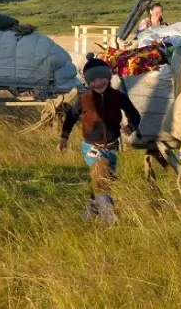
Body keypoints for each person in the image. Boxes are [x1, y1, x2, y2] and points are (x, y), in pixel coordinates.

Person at [58, 57, 141, 225]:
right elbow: (71, 116)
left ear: (108, 77)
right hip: (92, 147)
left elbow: (135, 114)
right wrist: (64, 137)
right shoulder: (84, 99)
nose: (98, 83)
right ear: (88, 82)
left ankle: (90, 210)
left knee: (101, 179)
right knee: (102, 178)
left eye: (102, 78)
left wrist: (130, 126)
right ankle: (109, 217)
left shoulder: (118, 97)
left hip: (112, 147)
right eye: (93, 80)